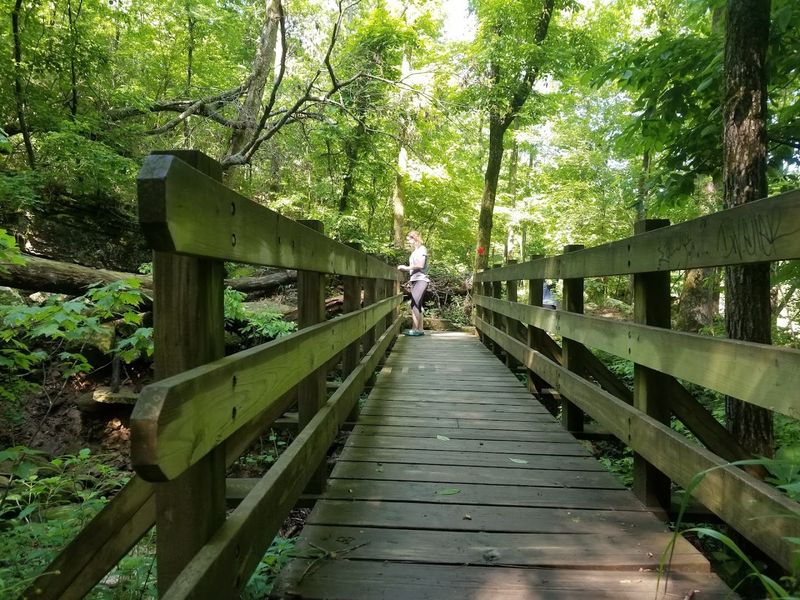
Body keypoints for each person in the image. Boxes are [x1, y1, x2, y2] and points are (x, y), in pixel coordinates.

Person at [397, 230, 429, 336]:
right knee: (417, 304)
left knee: (414, 304)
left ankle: (414, 329)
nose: (408, 242)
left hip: (421, 279)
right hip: (414, 279)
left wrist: (405, 268)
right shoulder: (414, 252)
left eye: (409, 240)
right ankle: (420, 329)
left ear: (414, 239)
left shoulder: (422, 249)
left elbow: (420, 265)